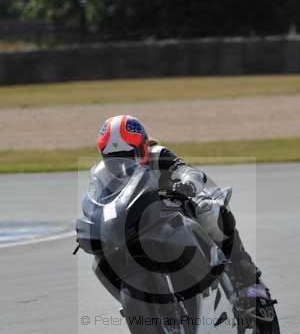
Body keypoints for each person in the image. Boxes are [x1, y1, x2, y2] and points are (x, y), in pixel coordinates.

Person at [97, 114, 260, 288]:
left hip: (174, 210)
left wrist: (187, 183)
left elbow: (185, 169)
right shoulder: (101, 175)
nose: (122, 164)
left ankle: (241, 264)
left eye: (129, 155)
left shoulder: (158, 154)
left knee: (209, 210)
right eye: (113, 158)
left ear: (143, 147)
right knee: (103, 255)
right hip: (135, 226)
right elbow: (96, 205)